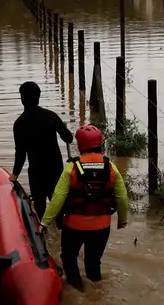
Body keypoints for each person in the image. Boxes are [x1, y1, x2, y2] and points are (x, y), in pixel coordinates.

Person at [40, 125, 130, 291]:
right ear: (100, 144)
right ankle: (95, 293)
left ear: (80, 145)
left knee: (69, 259)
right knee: (93, 262)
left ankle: (78, 291)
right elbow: (122, 198)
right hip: (102, 226)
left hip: (74, 226)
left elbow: (57, 199)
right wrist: (122, 221)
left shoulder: (71, 168)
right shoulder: (111, 167)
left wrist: (44, 223)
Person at [10, 81, 74, 220]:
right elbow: (68, 138)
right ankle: (60, 231)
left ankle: (42, 236)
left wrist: (14, 175)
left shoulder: (19, 124)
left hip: (36, 172)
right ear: (39, 97)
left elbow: (20, 154)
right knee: (59, 207)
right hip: (55, 169)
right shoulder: (51, 116)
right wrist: (63, 129)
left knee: (40, 210)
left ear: (22, 99)